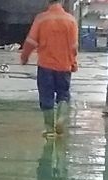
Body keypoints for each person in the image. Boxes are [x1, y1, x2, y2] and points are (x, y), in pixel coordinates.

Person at [21, 0, 79, 138]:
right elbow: (74, 47)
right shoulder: (71, 20)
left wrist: (24, 57)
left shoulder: (41, 18)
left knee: (46, 96)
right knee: (63, 94)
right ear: (63, 2)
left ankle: (49, 130)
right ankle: (61, 117)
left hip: (45, 65)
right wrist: (73, 62)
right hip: (64, 65)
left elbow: (31, 42)